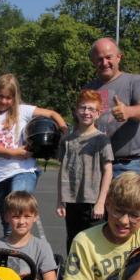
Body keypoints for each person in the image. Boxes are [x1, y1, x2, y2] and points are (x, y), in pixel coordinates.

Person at [0, 73, 68, 236]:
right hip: (0, 175)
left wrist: (64, 130)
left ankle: (23, 256)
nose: (4, 101)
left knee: (17, 211)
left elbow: (53, 114)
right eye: (0, 96)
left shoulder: (23, 110)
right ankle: (11, 257)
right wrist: (14, 152)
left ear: (14, 98)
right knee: (8, 221)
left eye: (8, 98)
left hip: (24, 171)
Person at [84, 38, 140, 178]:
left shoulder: (135, 82)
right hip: (94, 164)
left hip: (125, 166)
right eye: (99, 59)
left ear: (119, 57)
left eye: (108, 57)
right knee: (94, 201)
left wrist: (128, 111)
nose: (104, 63)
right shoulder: (88, 89)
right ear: (93, 62)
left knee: (122, 201)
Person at [56, 89, 114, 253]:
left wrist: (101, 202)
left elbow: (108, 170)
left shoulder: (101, 140)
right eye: (82, 108)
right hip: (72, 202)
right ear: (76, 111)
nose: (86, 112)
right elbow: (62, 170)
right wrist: (60, 200)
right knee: (73, 241)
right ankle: (72, 276)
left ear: (98, 113)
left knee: (94, 244)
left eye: (91, 109)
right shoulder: (67, 140)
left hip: (93, 202)